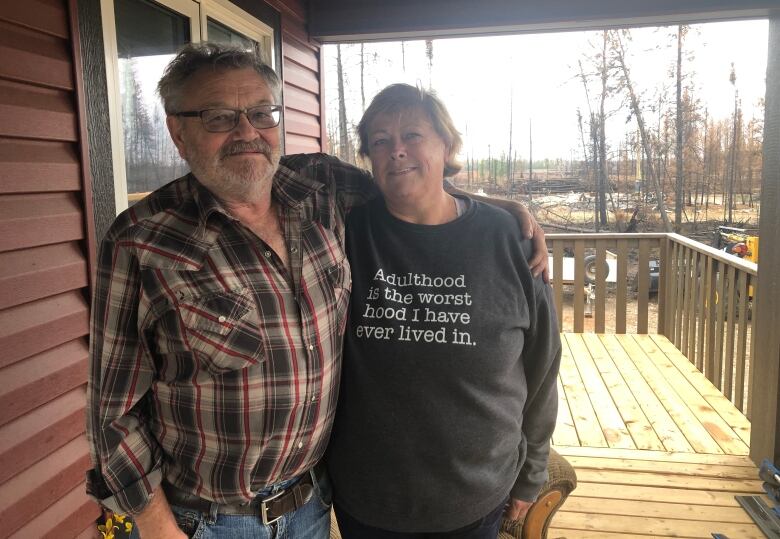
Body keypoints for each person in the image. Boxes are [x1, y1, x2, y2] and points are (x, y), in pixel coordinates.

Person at [86, 45, 547, 539]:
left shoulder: (320, 188)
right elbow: (113, 413)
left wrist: (499, 210)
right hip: (207, 521)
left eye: (262, 113)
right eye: (219, 117)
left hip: (312, 506)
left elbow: (413, 184)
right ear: (178, 132)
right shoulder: (143, 239)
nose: (247, 133)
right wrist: (157, 527)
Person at [326, 84, 562, 538]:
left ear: (447, 145)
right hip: (367, 498)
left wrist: (532, 472)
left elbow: (543, 367)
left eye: (413, 135)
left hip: (475, 497)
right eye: (380, 140)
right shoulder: (343, 233)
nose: (396, 150)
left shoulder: (509, 241)